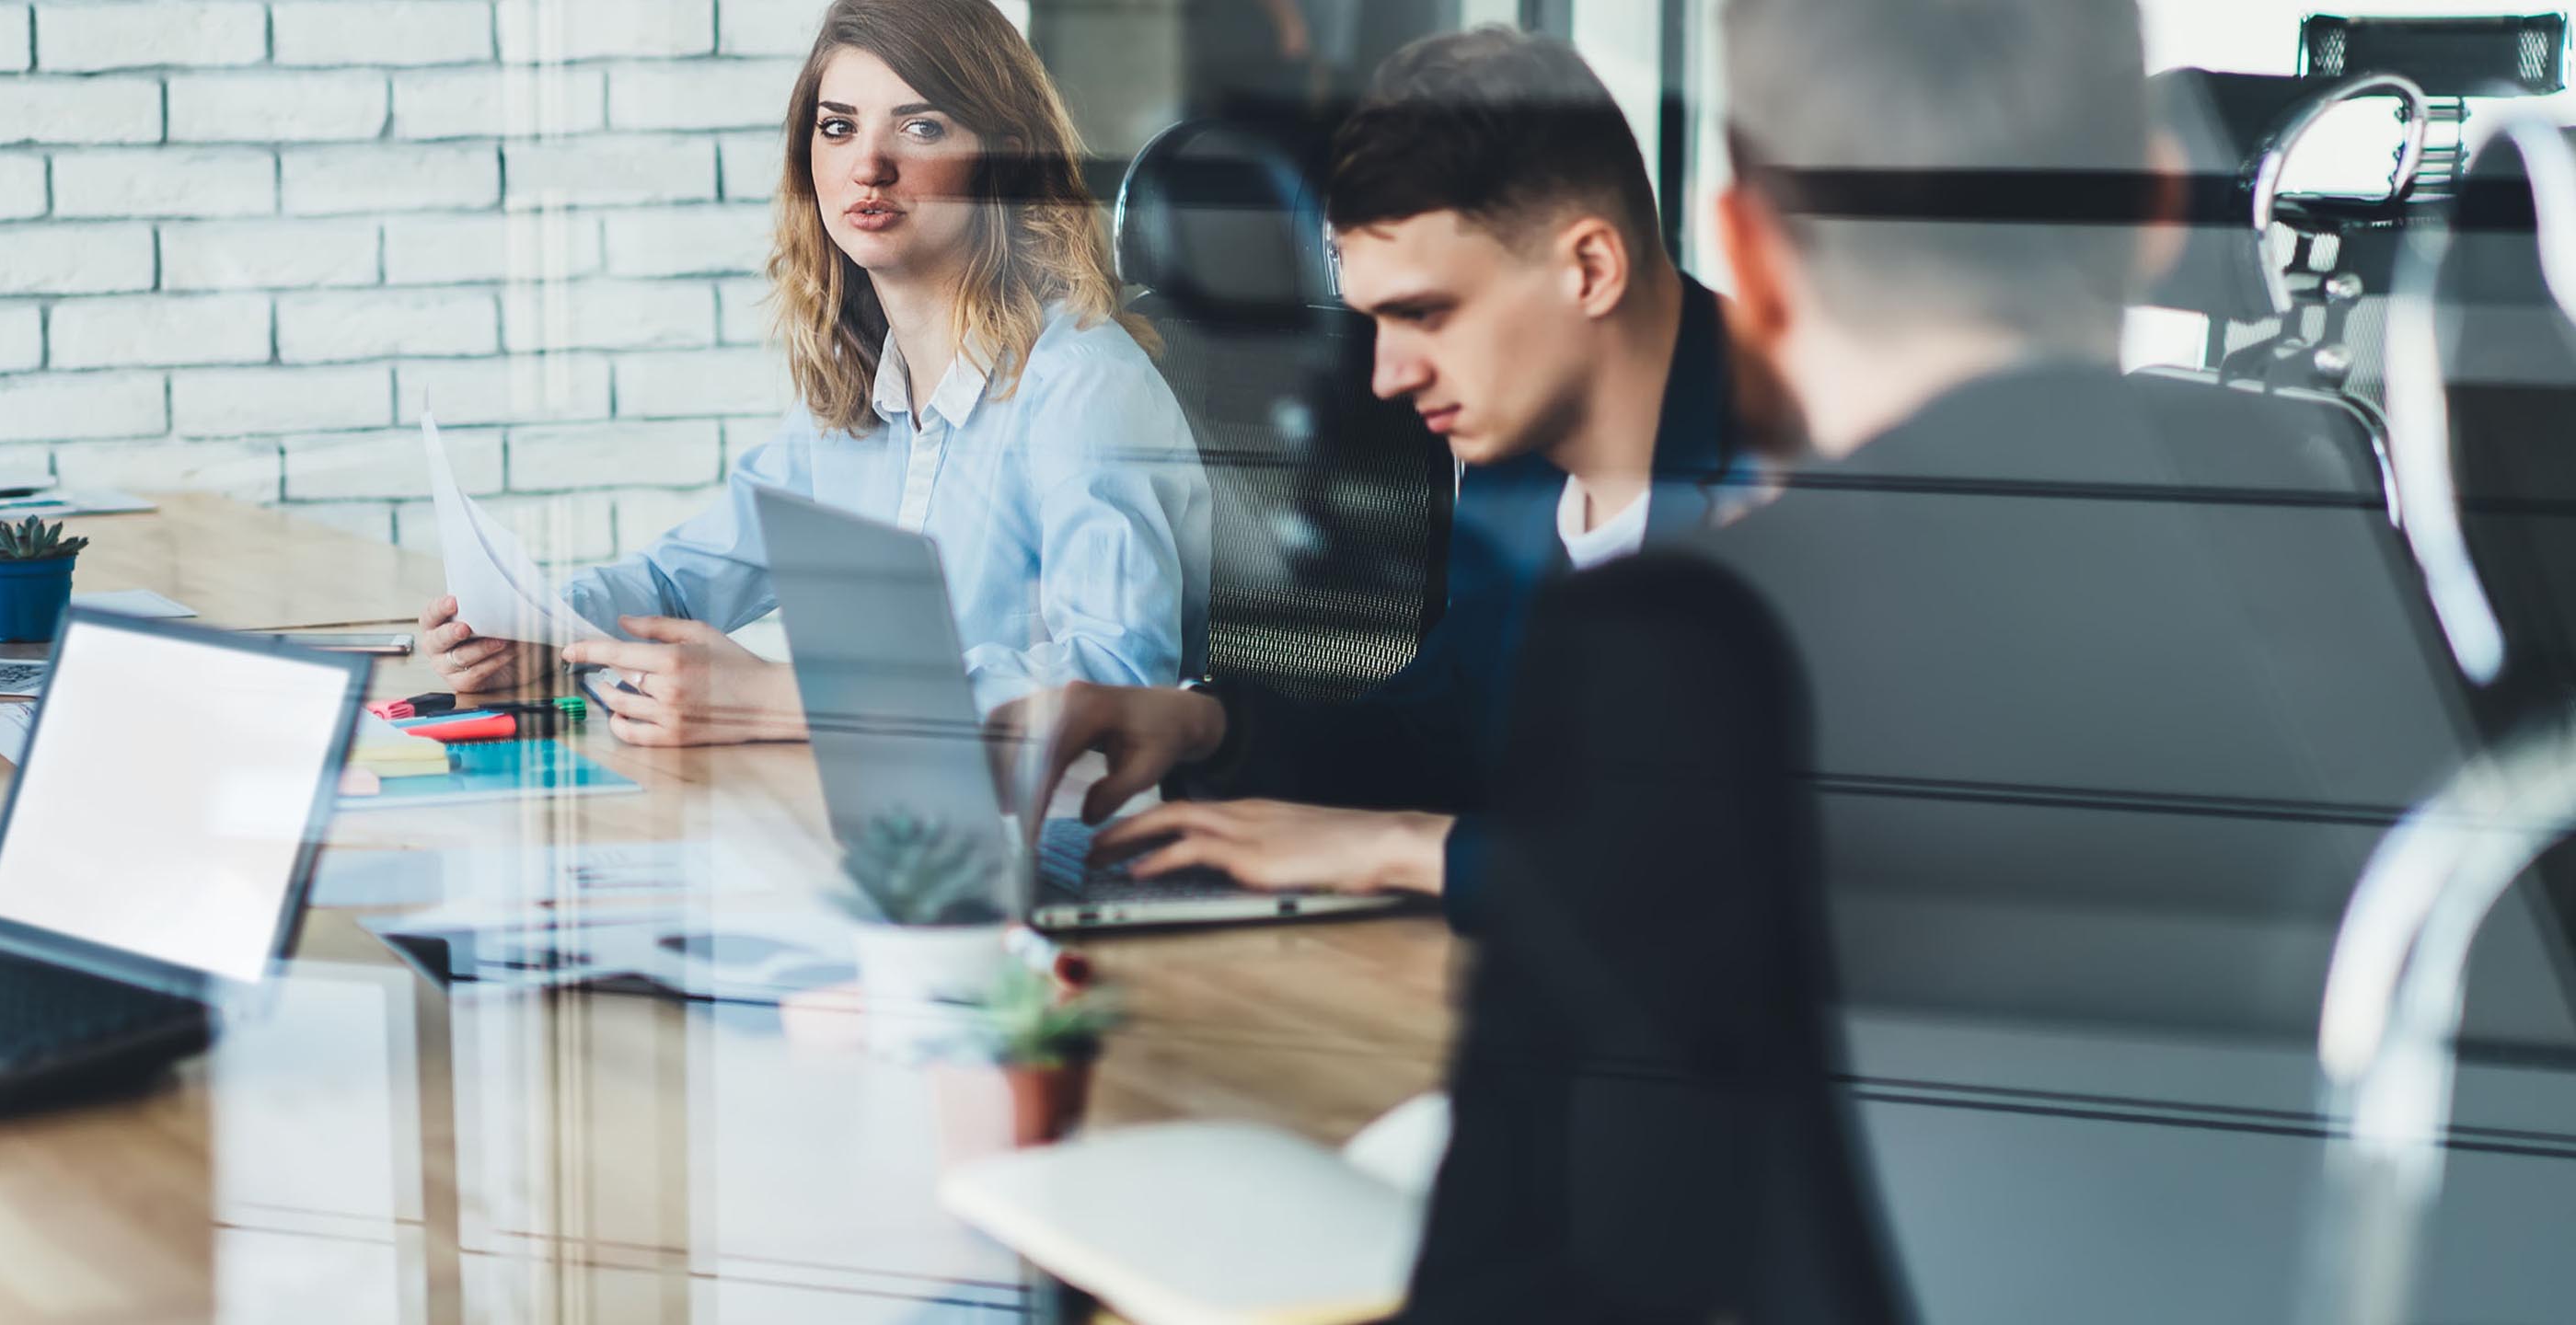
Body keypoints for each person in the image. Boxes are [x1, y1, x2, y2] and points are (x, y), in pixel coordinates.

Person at [1404, 0, 2261, 1315]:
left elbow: (1534, 1262)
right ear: (2157, 201)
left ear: (1743, 236)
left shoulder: (1696, 646)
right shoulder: (2357, 553)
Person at [1011, 28, 1770, 912]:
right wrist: (1210, 729)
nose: (1387, 376)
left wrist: (1408, 849)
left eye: (1424, 313)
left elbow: (1750, 853)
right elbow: (1438, 729)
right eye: (1378, 320)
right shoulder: (1522, 463)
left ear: (1589, 268)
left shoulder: (1809, 469)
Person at [416, 0, 1210, 747]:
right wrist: (539, 632)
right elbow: (680, 584)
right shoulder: (858, 397)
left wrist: (785, 698)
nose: (869, 165)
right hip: (901, 832)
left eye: (922, 127)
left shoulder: (1080, 385)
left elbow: (1116, 681)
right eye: (838, 127)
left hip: (1055, 849)